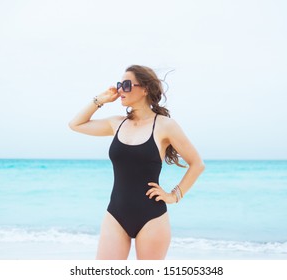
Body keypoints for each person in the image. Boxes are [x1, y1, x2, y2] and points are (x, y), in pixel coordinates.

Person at [69, 65, 204, 260]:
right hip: (115, 215)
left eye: (126, 84)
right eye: (119, 84)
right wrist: (101, 100)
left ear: (145, 89)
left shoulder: (165, 125)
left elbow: (197, 164)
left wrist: (174, 195)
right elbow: (76, 124)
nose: (120, 89)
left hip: (152, 218)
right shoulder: (116, 123)